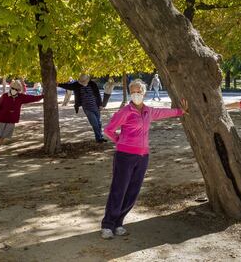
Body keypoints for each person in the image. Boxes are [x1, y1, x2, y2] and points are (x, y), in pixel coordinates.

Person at [101, 79, 188, 239]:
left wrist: (180, 111)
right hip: (124, 156)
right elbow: (108, 130)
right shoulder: (125, 112)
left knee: (133, 191)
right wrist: (119, 140)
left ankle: (119, 222)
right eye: (133, 92)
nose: (136, 95)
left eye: (138, 92)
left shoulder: (149, 111)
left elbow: (164, 113)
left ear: (144, 93)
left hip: (143, 156)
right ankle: (108, 225)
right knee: (119, 189)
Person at [0, 80, 44, 159]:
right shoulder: (4, 96)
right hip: (1, 119)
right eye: (13, 88)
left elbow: (32, 98)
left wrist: (42, 96)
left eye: (17, 89)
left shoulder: (21, 97)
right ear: (11, 88)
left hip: (11, 120)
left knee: (2, 137)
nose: (15, 90)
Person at [58, 74, 106, 143]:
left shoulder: (92, 84)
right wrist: (58, 84)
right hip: (87, 108)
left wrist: (100, 105)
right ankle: (98, 138)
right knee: (95, 123)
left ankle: (100, 136)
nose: (83, 83)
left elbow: (98, 94)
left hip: (95, 106)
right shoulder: (77, 85)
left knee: (99, 122)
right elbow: (69, 86)